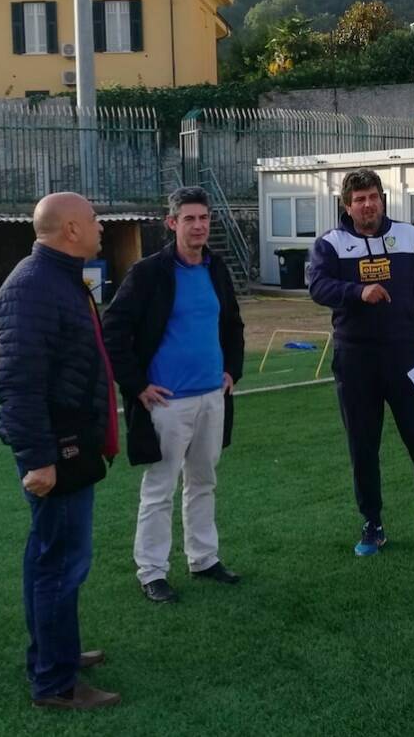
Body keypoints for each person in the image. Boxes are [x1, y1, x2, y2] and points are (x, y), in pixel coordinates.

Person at [0, 192, 120, 710]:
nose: (100, 227)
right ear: (70, 229)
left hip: (70, 440)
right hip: (56, 446)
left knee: (52, 558)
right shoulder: (32, 288)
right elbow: (18, 384)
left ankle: (55, 653)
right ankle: (55, 682)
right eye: (92, 219)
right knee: (59, 564)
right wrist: (40, 456)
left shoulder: (60, 279)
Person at [103, 186, 246, 604]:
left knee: (203, 482)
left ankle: (203, 558)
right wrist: (136, 384)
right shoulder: (148, 273)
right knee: (159, 488)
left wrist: (231, 371)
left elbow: (232, 324)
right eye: (189, 219)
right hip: (166, 403)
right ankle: (152, 571)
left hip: (211, 397)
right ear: (172, 223)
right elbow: (113, 329)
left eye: (203, 218)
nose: (198, 225)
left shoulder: (216, 268)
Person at [308, 168, 414, 561]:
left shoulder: (409, 236)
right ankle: (372, 523)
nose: (367, 204)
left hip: (405, 357)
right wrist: (357, 292)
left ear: (382, 199)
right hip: (355, 359)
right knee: (363, 447)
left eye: (373, 196)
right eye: (359, 199)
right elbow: (318, 287)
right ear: (347, 205)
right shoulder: (331, 243)